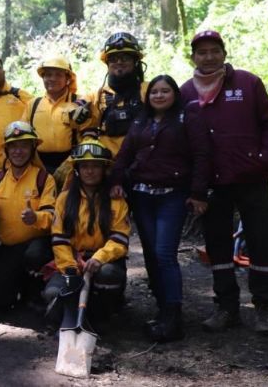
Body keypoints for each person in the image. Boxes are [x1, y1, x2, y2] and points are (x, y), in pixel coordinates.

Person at [180, 29, 268, 335]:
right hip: (211, 184)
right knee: (218, 245)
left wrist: (263, 158)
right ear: (193, 57)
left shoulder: (248, 83)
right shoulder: (185, 92)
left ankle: (264, 308)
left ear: (224, 54)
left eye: (214, 50)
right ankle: (226, 307)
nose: (209, 56)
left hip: (251, 178)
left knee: (261, 240)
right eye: (202, 52)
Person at [110, 75, 212, 342]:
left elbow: (202, 155)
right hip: (142, 196)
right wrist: (117, 180)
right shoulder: (141, 120)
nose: (158, 96)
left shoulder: (186, 118)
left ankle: (173, 316)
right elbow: (124, 154)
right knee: (151, 255)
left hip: (172, 196)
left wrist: (198, 192)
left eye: (165, 91)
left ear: (174, 94)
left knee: (165, 253)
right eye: (154, 91)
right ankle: (162, 307)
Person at [44, 138, 130, 325]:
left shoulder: (116, 200)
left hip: (103, 261)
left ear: (104, 169)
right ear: (77, 170)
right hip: (73, 259)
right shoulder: (65, 199)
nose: (89, 171)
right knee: (52, 294)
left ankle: (104, 314)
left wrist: (99, 258)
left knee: (108, 275)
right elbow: (59, 239)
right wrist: (70, 268)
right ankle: (71, 317)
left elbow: (120, 239)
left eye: (95, 166)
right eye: (84, 166)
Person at [0, 122, 57, 313]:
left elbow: (53, 216)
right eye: (13, 146)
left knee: (34, 255)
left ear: (32, 148)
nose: (18, 151)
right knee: (5, 301)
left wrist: (35, 217)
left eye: (23, 145)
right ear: (6, 150)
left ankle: (35, 294)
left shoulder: (44, 179)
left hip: (36, 245)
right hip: (7, 247)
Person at [79, 32, 148, 156]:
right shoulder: (97, 96)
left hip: (143, 161)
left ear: (135, 62)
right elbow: (76, 105)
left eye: (125, 58)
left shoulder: (149, 90)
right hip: (108, 164)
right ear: (107, 64)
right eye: (113, 59)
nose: (119, 62)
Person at [21, 56, 85, 174]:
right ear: (43, 78)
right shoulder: (33, 104)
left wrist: (71, 162)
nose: (52, 79)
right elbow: (23, 137)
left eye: (58, 75)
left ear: (68, 79)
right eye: (48, 75)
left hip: (72, 163)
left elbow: (87, 136)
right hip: (39, 166)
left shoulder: (79, 102)